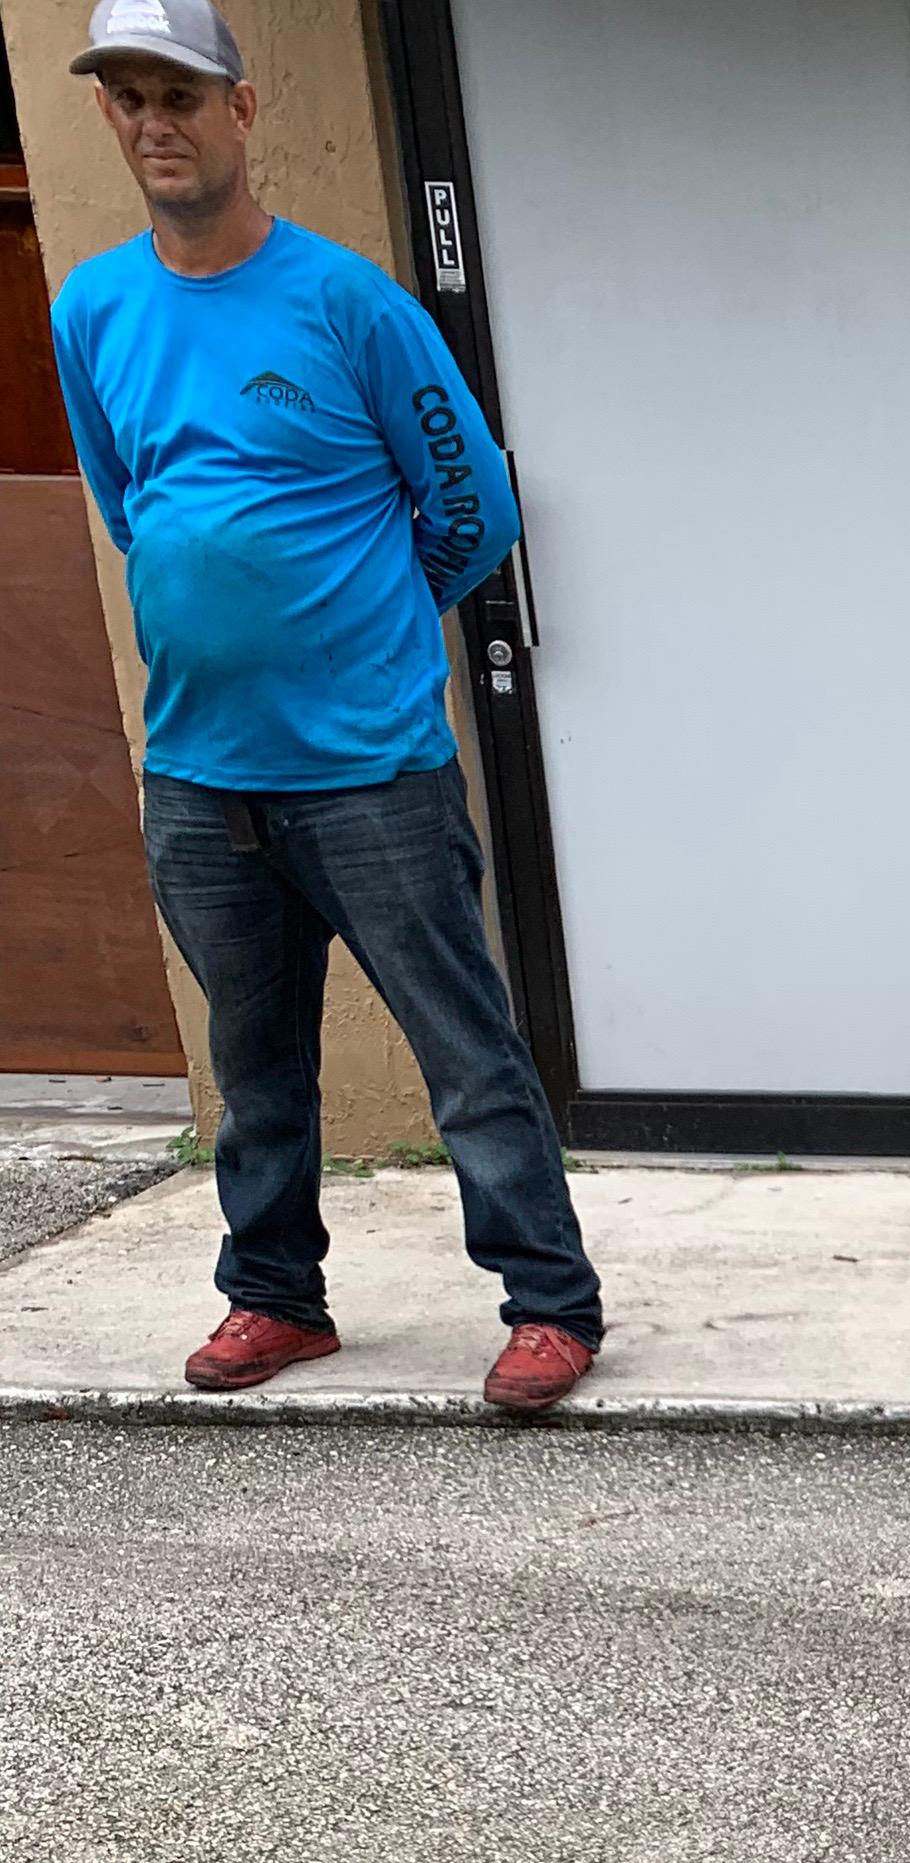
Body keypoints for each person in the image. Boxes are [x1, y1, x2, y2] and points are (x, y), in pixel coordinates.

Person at [49, 0, 603, 1414]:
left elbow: (471, 507)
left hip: (371, 773)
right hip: (196, 775)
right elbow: (133, 509)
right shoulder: (93, 309)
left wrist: (357, 622)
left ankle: (550, 1303)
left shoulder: (351, 303)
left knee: (464, 1050)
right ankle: (274, 1299)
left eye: (178, 93)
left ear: (241, 112)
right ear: (110, 119)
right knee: (256, 1064)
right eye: (127, 97)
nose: (154, 122)